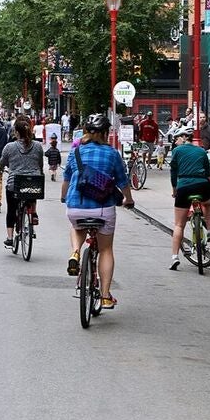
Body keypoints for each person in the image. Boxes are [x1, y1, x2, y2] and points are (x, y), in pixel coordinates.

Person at [61, 114, 135, 309]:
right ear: (105, 133)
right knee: (105, 249)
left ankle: (75, 252)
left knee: (76, 226)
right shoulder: (112, 154)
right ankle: (104, 296)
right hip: (102, 209)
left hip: (76, 206)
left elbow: (67, 179)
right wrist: (129, 199)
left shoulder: (75, 152)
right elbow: (122, 181)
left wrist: (64, 198)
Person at [168, 126, 210, 270]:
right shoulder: (201, 151)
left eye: (176, 139)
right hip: (202, 185)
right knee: (207, 204)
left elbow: (173, 172)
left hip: (184, 186)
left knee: (179, 225)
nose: (175, 142)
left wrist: (175, 189)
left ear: (183, 137)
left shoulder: (176, 151)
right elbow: (208, 171)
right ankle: (209, 231)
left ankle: (175, 257)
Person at [0, 119, 45, 247]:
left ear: (16, 132)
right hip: (34, 182)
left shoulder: (9, 147)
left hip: (15, 183)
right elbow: (40, 163)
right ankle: (33, 213)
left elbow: (2, 162)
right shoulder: (38, 146)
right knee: (32, 192)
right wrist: (39, 173)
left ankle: (10, 237)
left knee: (11, 210)